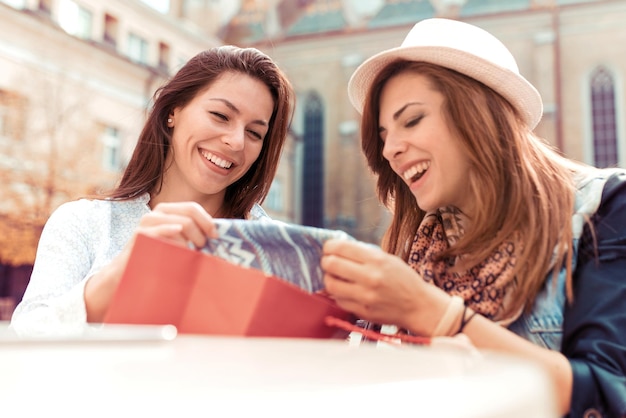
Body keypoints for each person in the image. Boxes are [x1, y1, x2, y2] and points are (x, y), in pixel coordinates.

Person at [321, 18, 626, 417]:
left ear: (478, 115)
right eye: (382, 136)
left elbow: (609, 395)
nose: (391, 149)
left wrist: (435, 313)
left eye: (411, 120)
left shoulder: (604, 207)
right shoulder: (413, 246)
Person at [11, 45, 294, 334]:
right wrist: (118, 277)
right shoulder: (84, 224)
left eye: (255, 133)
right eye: (220, 116)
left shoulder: (279, 252)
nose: (236, 142)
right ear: (173, 111)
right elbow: (24, 342)